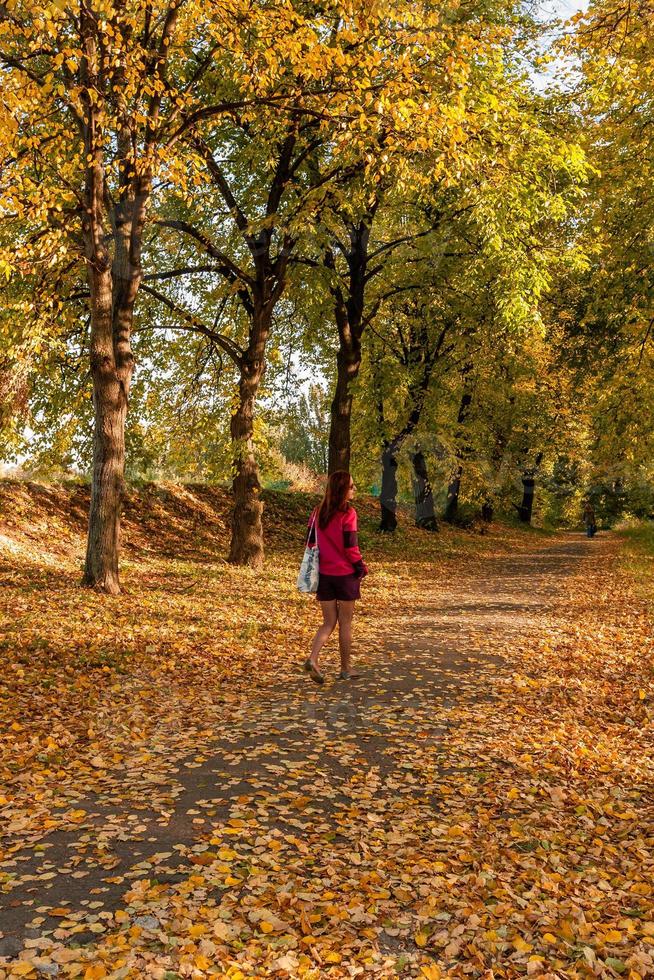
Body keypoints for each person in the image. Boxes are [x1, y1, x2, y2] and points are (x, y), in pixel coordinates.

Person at [304, 470, 368, 685]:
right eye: (351, 486)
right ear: (342, 489)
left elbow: (310, 542)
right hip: (345, 575)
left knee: (328, 622)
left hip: (324, 575)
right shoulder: (348, 513)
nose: (354, 489)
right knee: (346, 623)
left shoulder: (317, 512)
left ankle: (313, 658)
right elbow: (351, 547)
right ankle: (345, 670)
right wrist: (360, 567)